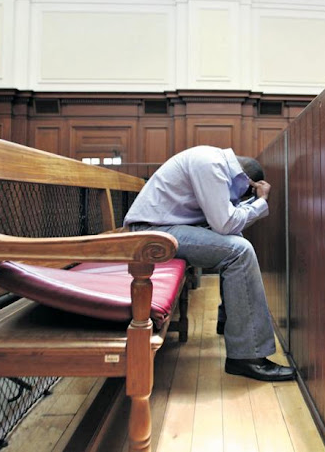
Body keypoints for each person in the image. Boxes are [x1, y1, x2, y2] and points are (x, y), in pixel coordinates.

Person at [124, 146, 296, 382]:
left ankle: (230, 322)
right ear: (247, 182)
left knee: (237, 242)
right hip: (150, 234)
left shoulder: (214, 162)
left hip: (160, 228)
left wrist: (252, 205)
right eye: (244, 194)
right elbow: (225, 223)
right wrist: (260, 201)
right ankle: (247, 357)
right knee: (239, 251)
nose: (238, 199)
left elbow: (227, 219)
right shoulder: (211, 166)